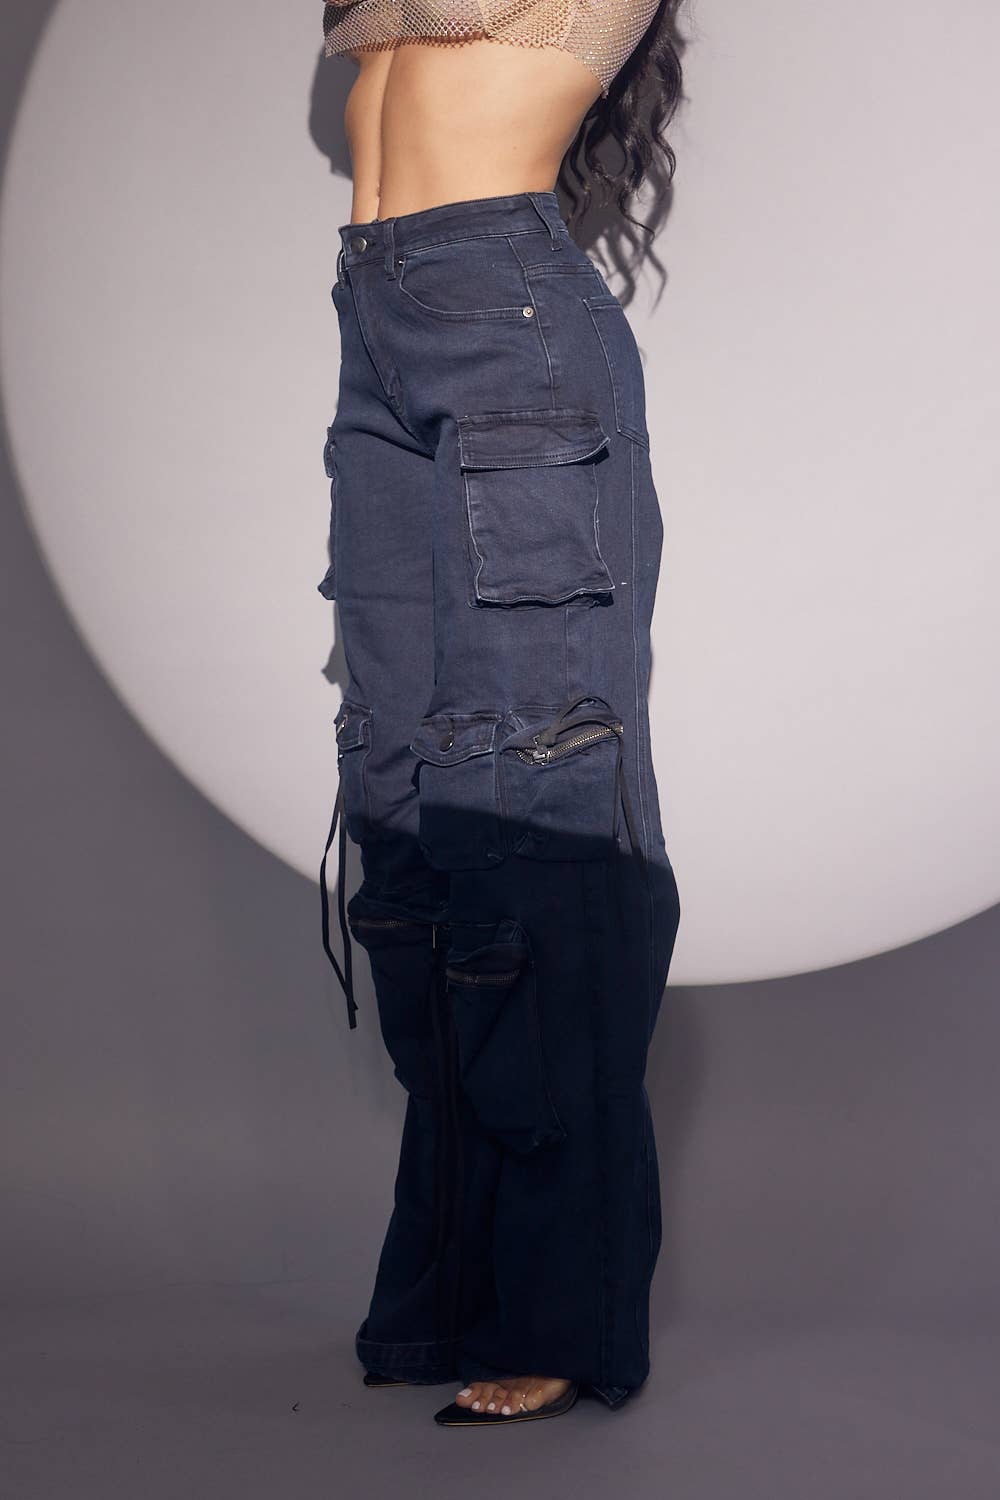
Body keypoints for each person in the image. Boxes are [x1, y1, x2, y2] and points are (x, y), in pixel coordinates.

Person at [316, 0, 684, 1428]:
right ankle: (453, 1288)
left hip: (508, 330)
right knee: (406, 794)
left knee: (538, 793)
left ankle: (559, 1304)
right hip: (376, 325)